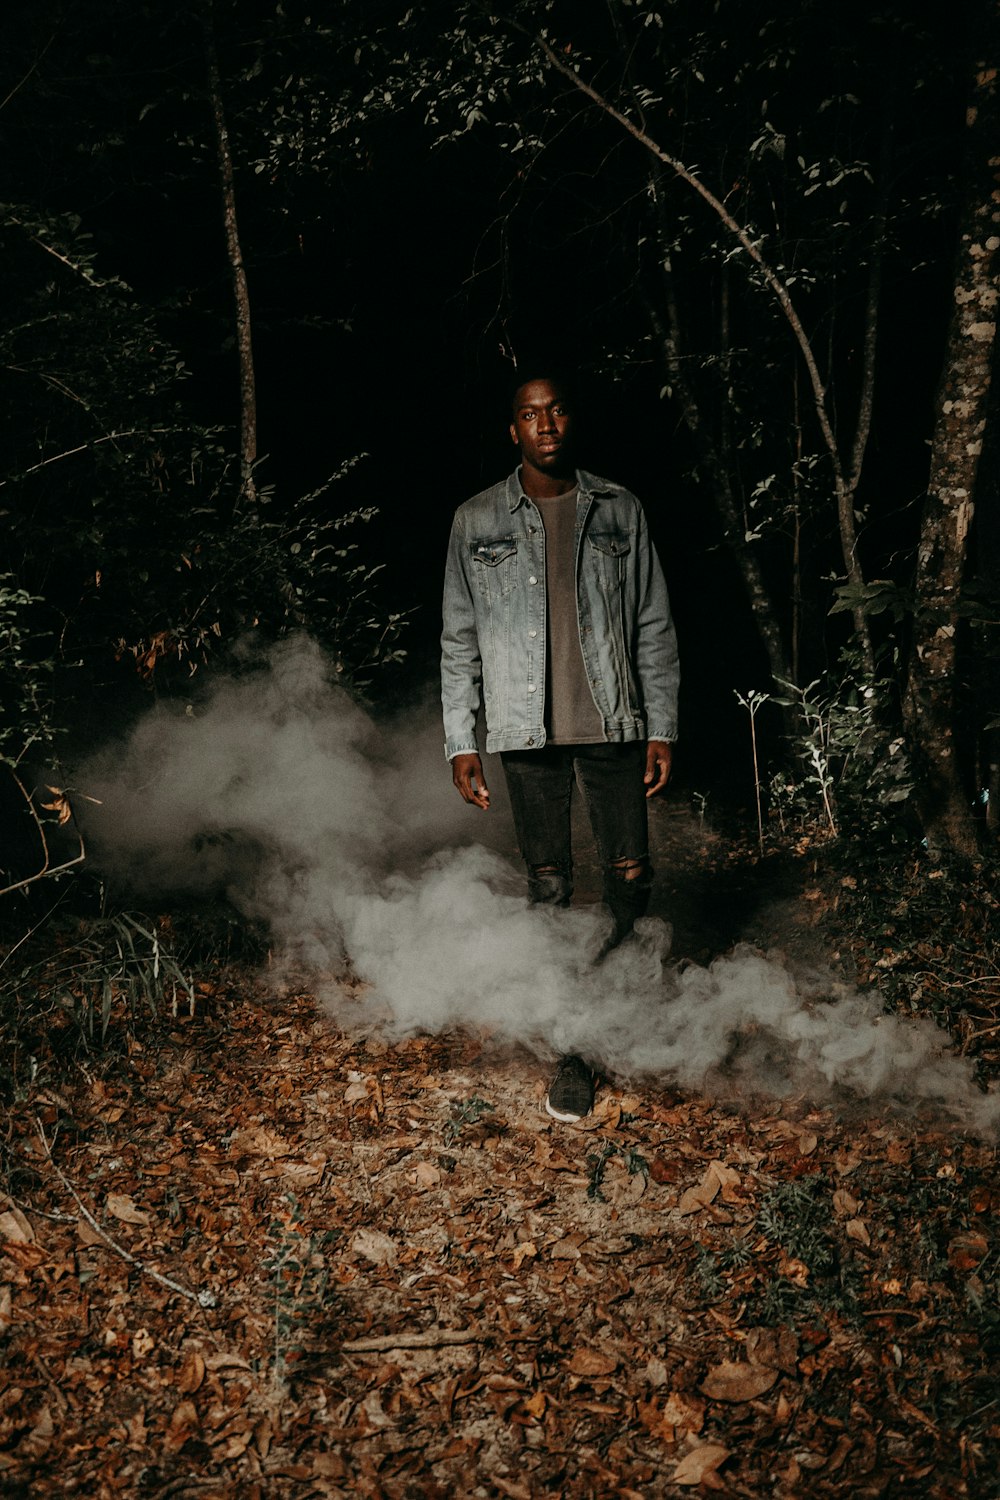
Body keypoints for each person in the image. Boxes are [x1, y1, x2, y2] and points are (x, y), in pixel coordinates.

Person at [441, 372, 680, 1121]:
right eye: (528, 415)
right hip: (523, 731)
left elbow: (652, 624)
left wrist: (661, 723)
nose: (544, 424)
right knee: (548, 889)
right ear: (513, 430)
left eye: (556, 410)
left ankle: (618, 1024)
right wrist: (462, 738)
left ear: (569, 421)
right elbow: (459, 639)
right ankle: (571, 1053)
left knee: (630, 878)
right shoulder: (475, 520)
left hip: (612, 722)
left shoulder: (619, 508)